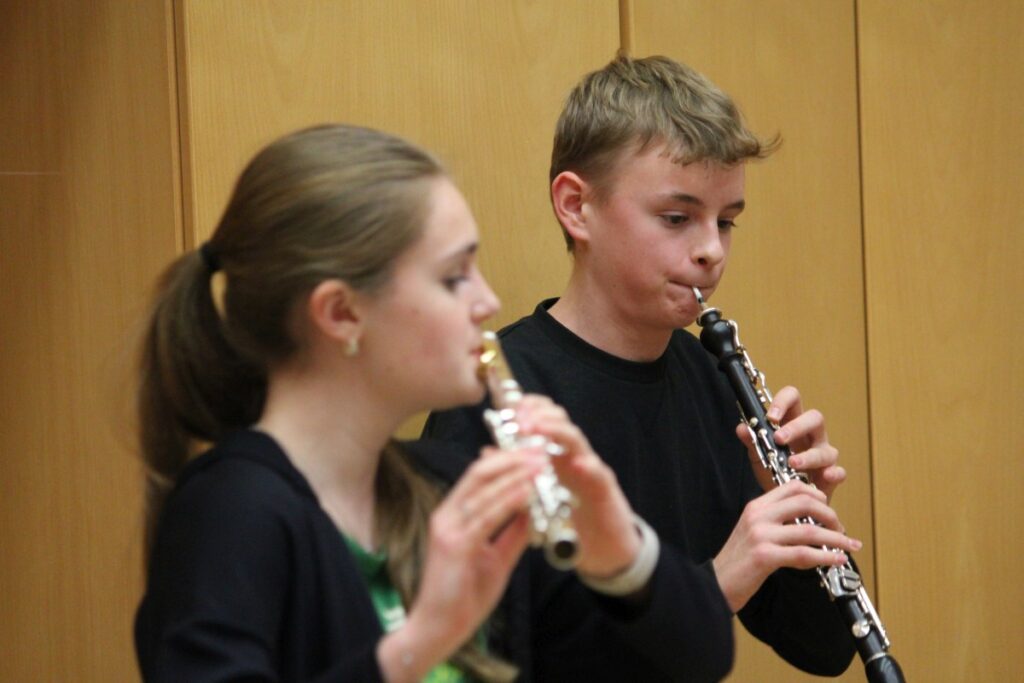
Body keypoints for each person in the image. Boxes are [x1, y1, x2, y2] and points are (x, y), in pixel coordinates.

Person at [133, 123, 734, 682]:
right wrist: (420, 644)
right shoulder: (230, 513)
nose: (487, 302)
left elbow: (697, 657)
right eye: (453, 277)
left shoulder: (446, 489)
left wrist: (618, 545)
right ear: (342, 314)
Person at [424, 53, 861, 676]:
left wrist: (799, 510)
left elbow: (824, 650)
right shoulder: (490, 398)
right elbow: (475, 661)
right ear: (576, 206)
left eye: (726, 222)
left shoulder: (712, 379)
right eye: (677, 218)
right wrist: (712, 590)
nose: (710, 250)